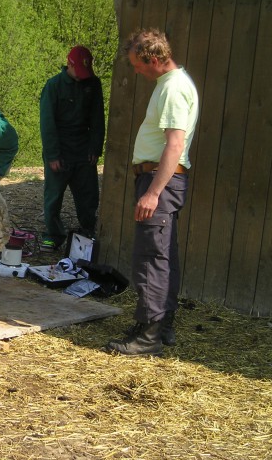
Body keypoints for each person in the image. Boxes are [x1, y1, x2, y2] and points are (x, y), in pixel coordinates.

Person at [107, 28, 199, 356]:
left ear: (155, 59)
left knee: (151, 258)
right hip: (161, 180)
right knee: (164, 254)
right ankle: (164, 325)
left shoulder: (173, 88)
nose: (135, 70)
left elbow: (174, 144)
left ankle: (148, 335)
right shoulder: (169, 84)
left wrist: (153, 193)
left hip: (160, 181)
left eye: (138, 64)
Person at [39, 45, 105, 252]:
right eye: (79, 71)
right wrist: (53, 155)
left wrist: (96, 147)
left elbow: (98, 118)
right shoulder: (53, 86)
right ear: (69, 64)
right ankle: (54, 235)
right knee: (53, 196)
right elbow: (47, 123)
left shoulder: (93, 84)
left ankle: (87, 233)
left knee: (88, 196)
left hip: (84, 150)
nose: (83, 77)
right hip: (60, 149)